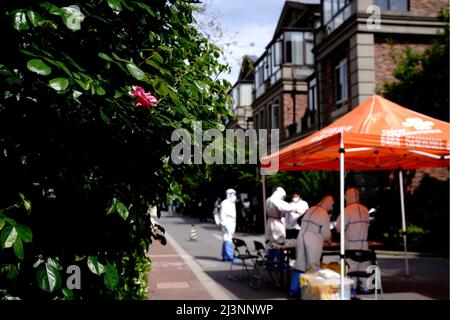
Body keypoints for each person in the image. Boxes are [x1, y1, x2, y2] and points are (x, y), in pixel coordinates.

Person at [289, 195, 333, 296]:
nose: (332, 207)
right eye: (331, 204)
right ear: (328, 203)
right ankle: (310, 292)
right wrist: (328, 239)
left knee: (300, 265)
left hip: (300, 238)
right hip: (312, 240)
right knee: (312, 266)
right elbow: (326, 234)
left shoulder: (311, 209)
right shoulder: (324, 214)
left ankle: (293, 290)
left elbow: (300, 221)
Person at [335, 187, 371, 292]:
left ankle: (352, 289)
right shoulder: (365, 210)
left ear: (349, 197)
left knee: (351, 269)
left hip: (350, 246)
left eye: (346, 197)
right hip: (364, 246)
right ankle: (366, 288)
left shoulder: (347, 210)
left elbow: (338, 228)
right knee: (364, 268)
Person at [220, 189, 237, 262]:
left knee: (226, 238)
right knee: (228, 239)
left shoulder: (231, 203)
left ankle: (225, 256)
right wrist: (224, 224)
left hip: (231, 222)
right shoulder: (225, 203)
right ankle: (229, 257)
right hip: (227, 222)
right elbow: (222, 214)